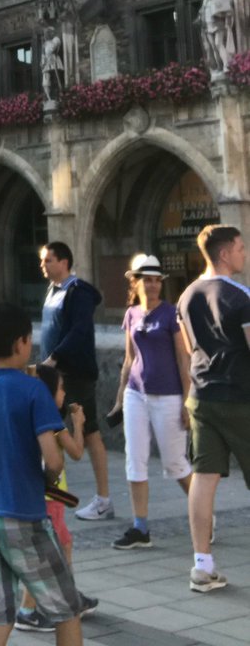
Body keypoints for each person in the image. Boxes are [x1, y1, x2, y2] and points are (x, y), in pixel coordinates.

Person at [0, 303, 83, 646]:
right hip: (23, 515)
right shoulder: (34, 391)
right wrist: (47, 479)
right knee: (67, 609)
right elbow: (54, 461)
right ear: (21, 343)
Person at [177, 224, 250, 594]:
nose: (244, 253)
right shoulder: (241, 296)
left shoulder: (186, 295)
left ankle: (202, 566)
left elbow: (189, 349)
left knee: (204, 479)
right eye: (240, 247)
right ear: (224, 253)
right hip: (241, 397)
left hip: (202, 396)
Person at [107, 253, 191, 550]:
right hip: (135, 393)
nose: (153, 285)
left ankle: (202, 513)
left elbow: (184, 359)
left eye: (157, 280)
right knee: (135, 459)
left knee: (175, 462)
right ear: (136, 282)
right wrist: (119, 399)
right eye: (148, 280)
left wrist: (187, 402)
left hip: (168, 395)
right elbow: (129, 360)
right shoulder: (131, 314)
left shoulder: (171, 314)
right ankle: (140, 527)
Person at [15, 364, 97, 631]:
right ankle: (29, 610)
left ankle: (70, 596)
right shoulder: (52, 420)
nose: (64, 394)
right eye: (61, 389)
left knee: (63, 545)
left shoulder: (27, 414)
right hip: (51, 498)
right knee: (47, 554)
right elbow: (75, 452)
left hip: (42, 496)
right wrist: (79, 424)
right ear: (50, 393)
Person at [39, 241, 112, 521]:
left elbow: (80, 330)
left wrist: (55, 357)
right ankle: (51, 490)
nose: (43, 266)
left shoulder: (77, 292)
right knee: (49, 431)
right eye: (43, 261)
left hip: (75, 375)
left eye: (48, 260)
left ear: (64, 262)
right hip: (52, 374)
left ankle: (104, 498)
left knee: (90, 431)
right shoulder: (52, 291)